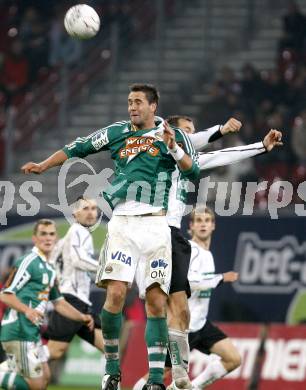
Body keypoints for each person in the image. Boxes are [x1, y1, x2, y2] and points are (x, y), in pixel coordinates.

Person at [21, 83, 200, 390]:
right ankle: (112, 369)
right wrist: (44, 165)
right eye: (130, 102)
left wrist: (172, 146)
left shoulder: (175, 134)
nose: (132, 107)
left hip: (156, 226)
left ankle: (156, 379)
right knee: (115, 293)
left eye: (139, 102)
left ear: (153, 106)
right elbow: (79, 147)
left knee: (156, 301)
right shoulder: (118, 132)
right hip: (122, 225)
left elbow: (192, 172)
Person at [157, 115, 282, 390]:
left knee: (232, 358)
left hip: (199, 324)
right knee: (159, 368)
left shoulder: (190, 162)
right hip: (151, 232)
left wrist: (260, 146)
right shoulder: (154, 155)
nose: (191, 137)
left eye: (193, 132)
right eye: (185, 132)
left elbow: (226, 154)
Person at [0, 219, 94, 390]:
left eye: (51, 234)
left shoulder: (50, 269)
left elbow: (59, 303)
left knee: (45, 378)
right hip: (19, 331)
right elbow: (5, 295)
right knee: (35, 385)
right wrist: (26, 310)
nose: (48, 238)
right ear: (35, 238)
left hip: (32, 333)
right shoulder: (29, 261)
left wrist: (82, 317)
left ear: (56, 238)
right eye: (43, 234)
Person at [46, 197, 104, 361]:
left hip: (80, 301)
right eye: (85, 208)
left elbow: (52, 262)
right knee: (54, 352)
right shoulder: (79, 231)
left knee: (111, 350)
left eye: (93, 208)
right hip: (72, 300)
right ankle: (9, 369)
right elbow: (79, 260)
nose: (91, 212)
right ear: (75, 213)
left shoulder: (67, 237)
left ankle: (112, 384)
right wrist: (107, 269)